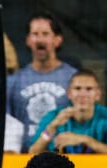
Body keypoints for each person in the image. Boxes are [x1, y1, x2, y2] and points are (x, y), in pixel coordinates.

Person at [8, 11, 78, 151]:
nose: (40, 40)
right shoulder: (14, 81)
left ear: (58, 40)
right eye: (35, 34)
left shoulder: (73, 78)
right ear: (28, 40)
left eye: (45, 34)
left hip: (61, 155)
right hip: (24, 156)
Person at [29, 69, 107, 154]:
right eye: (77, 88)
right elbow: (32, 152)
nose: (83, 94)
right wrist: (52, 127)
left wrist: (85, 140)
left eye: (89, 89)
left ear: (98, 94)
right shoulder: (54, 116)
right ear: (69, 93)